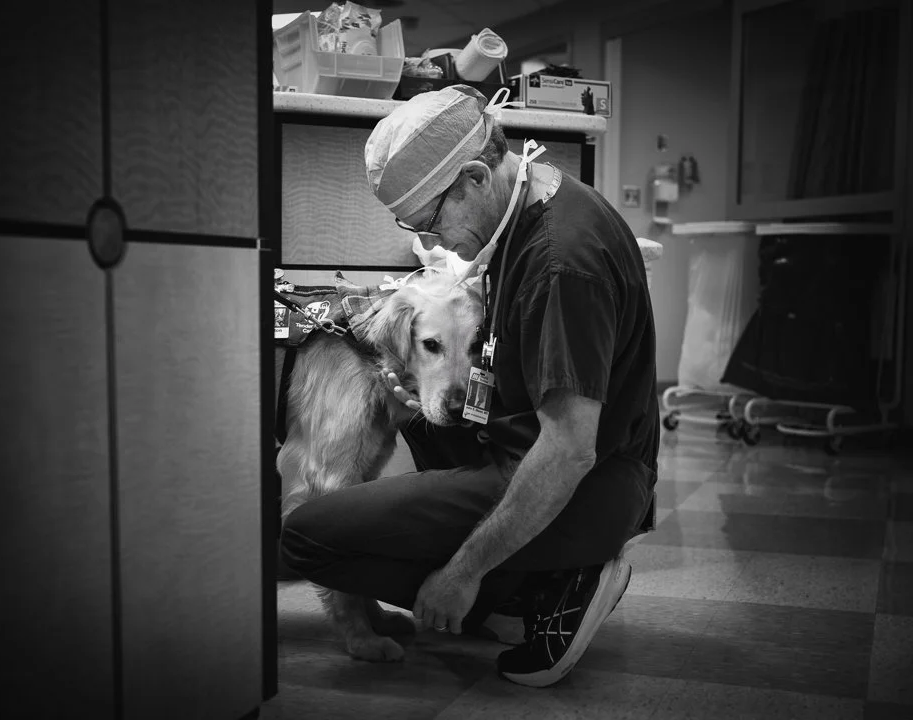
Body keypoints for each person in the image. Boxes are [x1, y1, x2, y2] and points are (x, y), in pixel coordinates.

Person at [280, 84, 659, 688]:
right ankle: (521, 585)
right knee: (430, 422)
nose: (433, 244)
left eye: (431, 222)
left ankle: (548, 587)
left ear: (477, 177)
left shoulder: (559, 264)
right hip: (541, 458)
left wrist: (462, 573)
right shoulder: (539, 205)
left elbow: (568, 450)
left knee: (306, 537)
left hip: (582, 486)